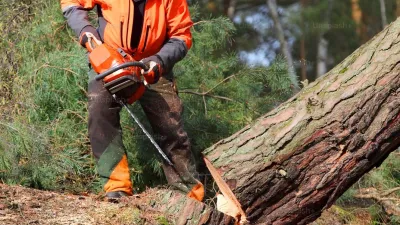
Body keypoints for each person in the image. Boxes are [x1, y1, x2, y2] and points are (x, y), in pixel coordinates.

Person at [60, 0, 204, 201]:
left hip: (153, 64)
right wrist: (86, 30)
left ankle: (189, 194)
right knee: (100, 110)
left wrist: (160, 61)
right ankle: (116, 188)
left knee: (170, 126)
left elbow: (181, 36)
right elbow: (71, 4)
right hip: (110, 58)